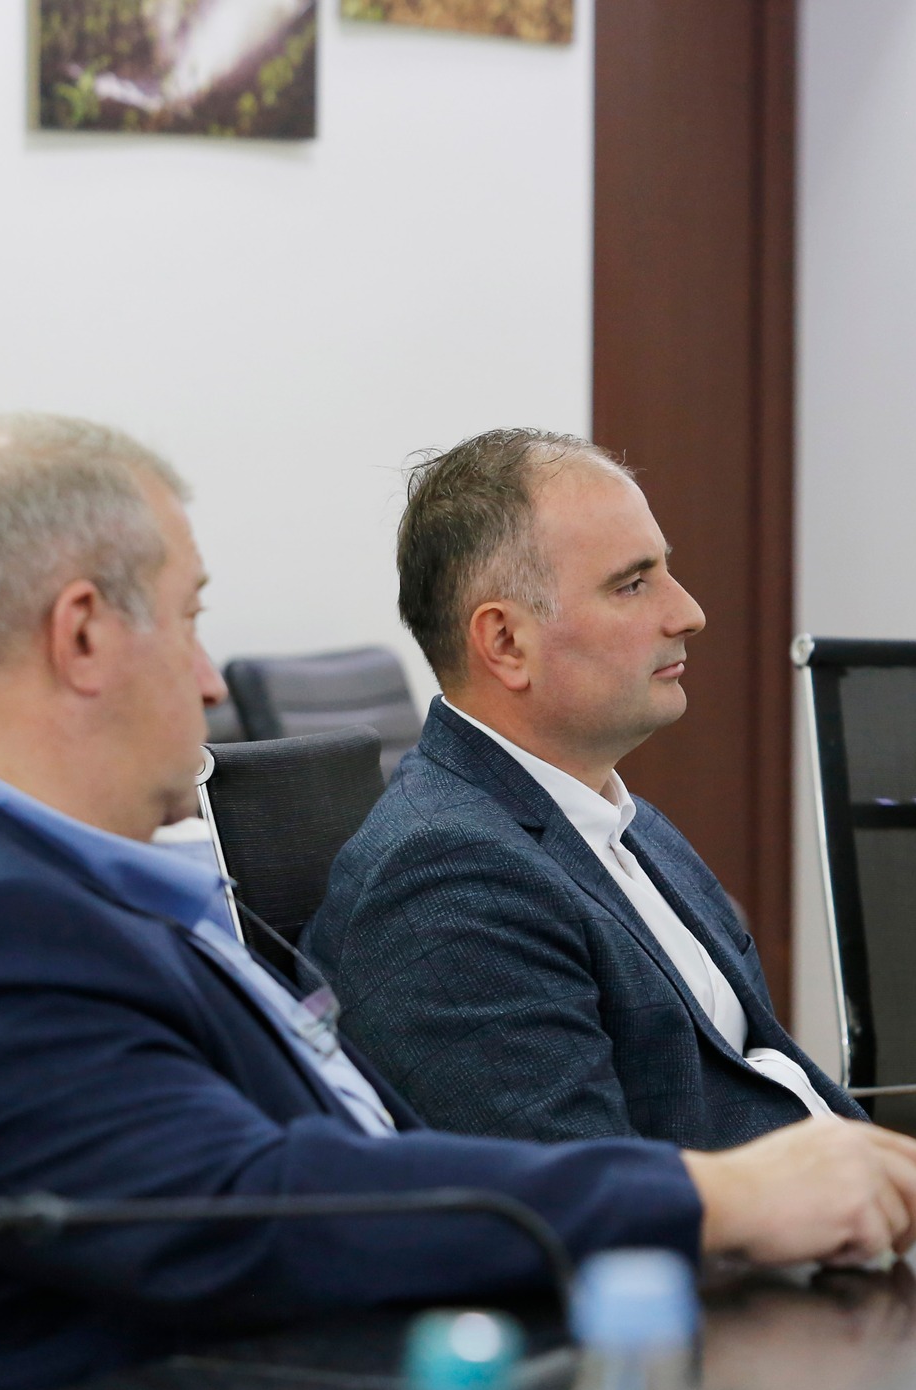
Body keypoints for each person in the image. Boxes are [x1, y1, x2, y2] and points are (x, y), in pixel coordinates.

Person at [0, 416, 916, 1390]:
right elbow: (250, 1209)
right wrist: (710, 1196)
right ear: (81, 635)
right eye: (188, 618)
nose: (211, 679)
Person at [305, 430, 864, 1149]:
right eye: (632, 584)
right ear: (507, 643)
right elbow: (580, 1186)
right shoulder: (449, 875)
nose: (688, 612)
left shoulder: (629, 823)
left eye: (666, 571)